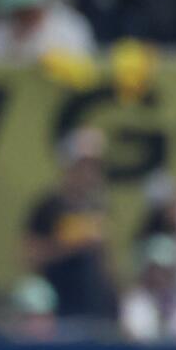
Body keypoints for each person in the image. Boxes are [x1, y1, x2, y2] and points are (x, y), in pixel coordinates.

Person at [23, 126, 115, 321]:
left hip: (94, 310)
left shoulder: (97, 208)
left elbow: (103, 262)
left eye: (94, 166)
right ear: (69, 167)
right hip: (58, 310)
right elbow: (28, 255)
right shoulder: (48, 207)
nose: (89, 173)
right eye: (83, 165)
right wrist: (71, 245)